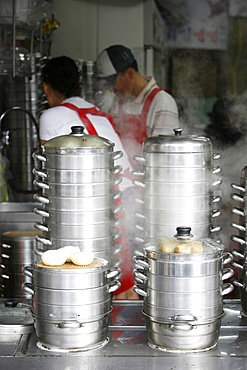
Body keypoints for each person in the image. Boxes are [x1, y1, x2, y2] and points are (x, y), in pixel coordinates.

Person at [39, 55, 139, 300]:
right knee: (122, 286)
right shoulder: (99, 114)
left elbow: (50, 177)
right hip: (128, 200)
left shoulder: (49, 117)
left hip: (99, 205)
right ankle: (124, 335)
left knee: (92, 283)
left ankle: (108, 335)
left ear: (45, 88)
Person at [95, 44, 180, 167]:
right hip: (123, 178)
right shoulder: (118, 101)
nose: (111, 89)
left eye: (112, 83)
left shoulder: (162, 102)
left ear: (129, 74)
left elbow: (163, 157)